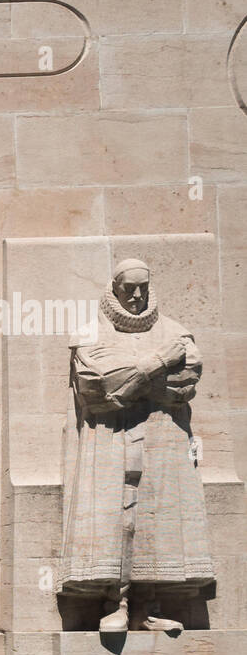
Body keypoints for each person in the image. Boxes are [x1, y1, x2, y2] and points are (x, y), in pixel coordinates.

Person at [59, 260, 214, 631]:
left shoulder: (176, 332)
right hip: (109, 440)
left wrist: (132, 380)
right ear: (114, 287)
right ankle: (118, 601)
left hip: (163, 438)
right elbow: (99, 388)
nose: (137, 295)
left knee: (154, 515)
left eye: (143, 287)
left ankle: (146, 608)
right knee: (118, 516)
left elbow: (182, 386)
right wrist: (158, 362)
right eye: (129, 288)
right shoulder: (90, 333)